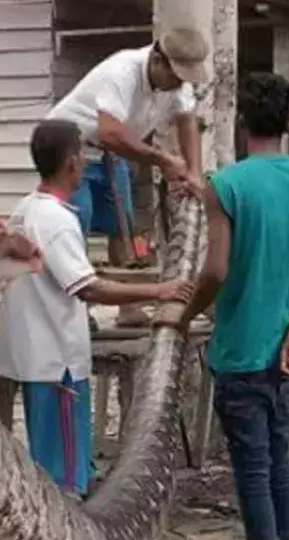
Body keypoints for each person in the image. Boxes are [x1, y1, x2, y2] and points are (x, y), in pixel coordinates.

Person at [157, 72, 289, 540]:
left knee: (253, 467)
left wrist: (186, 313)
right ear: (288, 123)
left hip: (241, 350)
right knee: (281, 460)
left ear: (241, 124)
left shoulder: (229, 185)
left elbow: (214, 268)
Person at [0, 119, 192, 497]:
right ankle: (69, 525)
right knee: (64, 473)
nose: (86, 165)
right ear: (71, 162)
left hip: (31, 352)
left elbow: (63, 274)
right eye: (82, 158)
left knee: (50, 456)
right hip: (57, 360)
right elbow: (88, 289)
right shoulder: (55, 220)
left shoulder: (25, 209)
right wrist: (160, 290)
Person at [46, 27, 208, 327]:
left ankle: (128, 306)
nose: (177, 84)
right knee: (73, 226)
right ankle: (75, 311)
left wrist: (194, 171)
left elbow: (187, 121)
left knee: (123, 229)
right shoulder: (122, 71)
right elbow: (109, 132)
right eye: (174, 75)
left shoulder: (177, 84)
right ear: (158, 59)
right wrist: (162, 159)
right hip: (70, 149)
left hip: (112, 153)